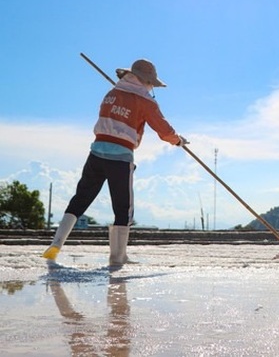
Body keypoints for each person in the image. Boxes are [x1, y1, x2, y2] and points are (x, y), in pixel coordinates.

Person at [43, 59, 187, 266]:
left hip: (96, 151)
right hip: (120, 157)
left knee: (81, 198)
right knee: (123, 208)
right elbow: (164, 131)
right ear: (146, 81)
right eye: (151, 85)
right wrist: (178, 140)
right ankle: (118, 257)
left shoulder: (112, 93)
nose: (151, 88)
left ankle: (55, 244)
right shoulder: (145, 100)